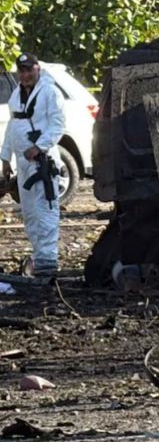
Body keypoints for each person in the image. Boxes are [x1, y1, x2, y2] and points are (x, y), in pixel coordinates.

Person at [1, 53, 65, 276]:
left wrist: (39, 147)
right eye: (22, 70)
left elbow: (58, 126)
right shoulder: (16, 94)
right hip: (23, 164)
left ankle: (48, 259)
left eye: (29, 70)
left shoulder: (50, 92)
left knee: (45, 210)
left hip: (42, 162)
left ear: (38, 68)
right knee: (29, 213)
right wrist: (5, 157)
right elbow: (12, 126)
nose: (26, 75)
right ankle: (39, 257)